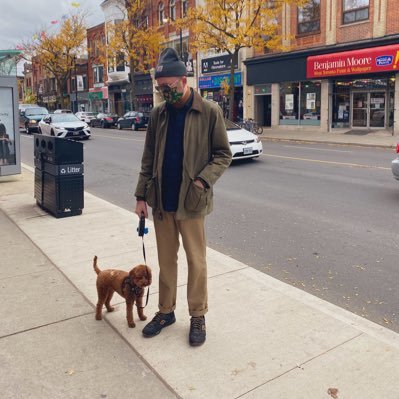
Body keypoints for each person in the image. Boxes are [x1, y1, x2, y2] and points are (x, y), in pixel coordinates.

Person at [134, 48, 232, 346]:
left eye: (170, 87)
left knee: (196, 261)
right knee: (166, 262)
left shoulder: (208, 111)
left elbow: (223, 154)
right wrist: (140, 196)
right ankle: (166, 311)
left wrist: (202, 181)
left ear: (184, 80)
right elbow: (148, 158)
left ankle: (198, 315)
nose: (165, 93)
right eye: (161, 88)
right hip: (162, 201)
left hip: (192, 201)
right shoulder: (158, 114)